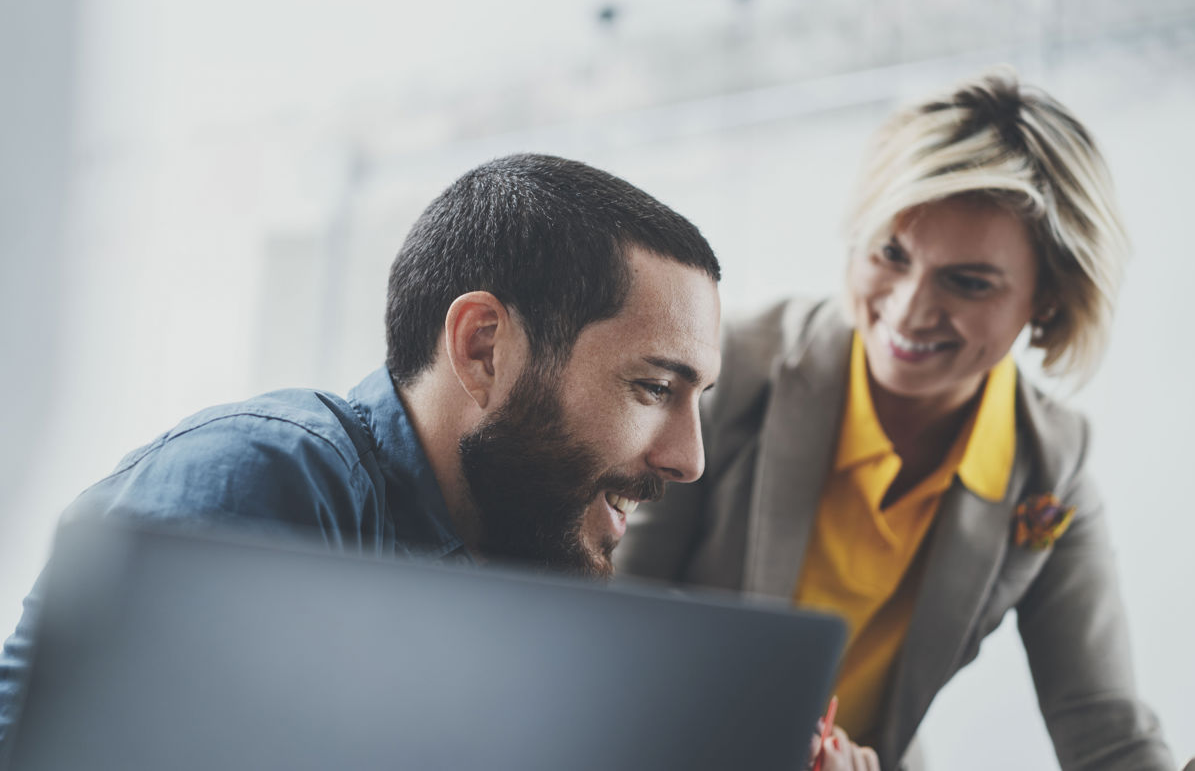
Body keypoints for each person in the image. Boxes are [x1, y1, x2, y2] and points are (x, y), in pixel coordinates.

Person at [0, 153, 725, 752]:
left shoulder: (499, 559)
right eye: (655, 386)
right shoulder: (268, 479)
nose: (688, 458)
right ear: (484, 348)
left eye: (699, 399)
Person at [615, 69, 1177, 771]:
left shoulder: (1048, 476)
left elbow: (1106, 728)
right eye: (891, 254)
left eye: (968, 281)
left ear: (1051, 298)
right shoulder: (725, 373)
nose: (909, 309)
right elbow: (610, 620)